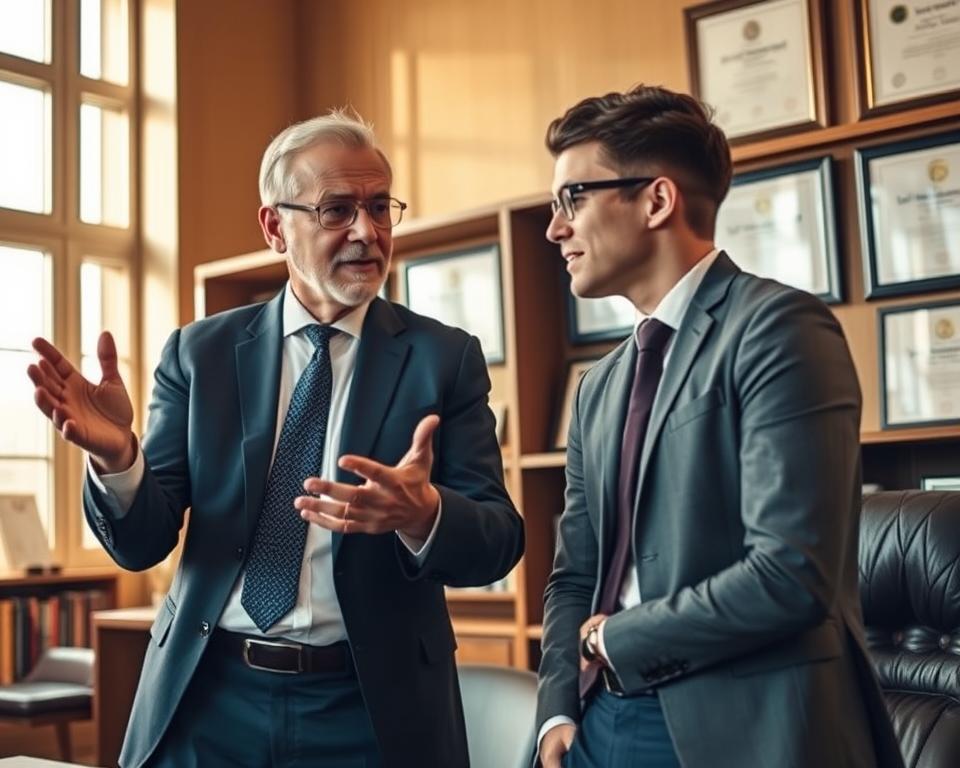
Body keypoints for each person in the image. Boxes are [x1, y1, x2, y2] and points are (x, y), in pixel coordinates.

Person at [27, 110, 524, 768]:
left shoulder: (443, 359)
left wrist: (424, 513)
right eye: (337, 210)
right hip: (209, 693)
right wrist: (118, 457)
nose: (367, 232)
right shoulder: (200, 353)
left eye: (380, 207)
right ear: (274, 227)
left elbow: (499, 539)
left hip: (369, 706)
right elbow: (144, 542)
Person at [535, 85, 904, 768]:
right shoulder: (598, 387)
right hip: (597, 720)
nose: (555, 227)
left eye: (573, 198)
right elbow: (575, 572)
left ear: (656, 200)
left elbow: (790, 573)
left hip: (739, 729)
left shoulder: (779, 330)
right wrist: (558, 707)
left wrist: (616, 640)